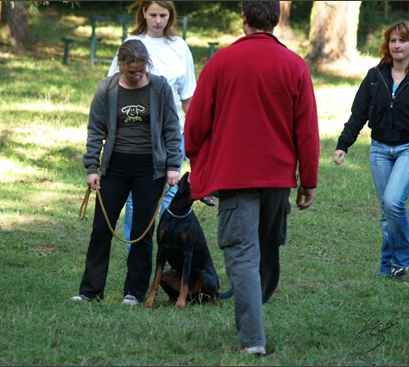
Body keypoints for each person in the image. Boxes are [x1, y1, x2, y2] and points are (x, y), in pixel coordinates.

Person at [184, 1, 319, 356]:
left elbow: (195, 125)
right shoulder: (295, 65)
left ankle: (253, 337)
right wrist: (309, 180)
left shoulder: (221, 62)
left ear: (243, 19)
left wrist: (198, 164)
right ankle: (254, 327)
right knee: (264, 248)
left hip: (236, 175)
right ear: (276, 19)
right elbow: (307, 130)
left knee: (245, 255)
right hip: (277, 177)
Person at [72, 39, 182, 306]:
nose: (137, 75)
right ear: (120, 65)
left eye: (142, 70)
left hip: (150, 169)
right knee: (101, 229)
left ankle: (134, 292)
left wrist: (172, 166)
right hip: (115, 167)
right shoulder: (107, 89)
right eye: (132, 70)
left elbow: (171, 128)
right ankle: (90, 291)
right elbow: (95, 131)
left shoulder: (159, 88)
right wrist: (91, 167)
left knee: (142, 233)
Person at [108, 1, 211, 251]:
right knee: (135, 198)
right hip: (136, 132)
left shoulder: (179, 47)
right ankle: (137, 252)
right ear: (143, 13)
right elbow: (112, 89)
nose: (158, 20)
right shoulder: (131, 45)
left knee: (168, 191)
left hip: (171, 131)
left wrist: (198, 134)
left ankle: (167, 249)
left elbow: (188, 96)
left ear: (170, 16)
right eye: (153, 14)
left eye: (163, 15)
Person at [333, 21, 409, 280]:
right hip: (379, 149)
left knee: (392, 202)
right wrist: (343, 145)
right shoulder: (374, 76)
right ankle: (388, 266)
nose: (397, 45)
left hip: (408, 149)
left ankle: (401, 259)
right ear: (387, 45)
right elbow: (358, 114)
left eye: (403, 40)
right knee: (386, 209)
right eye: (393, 40)